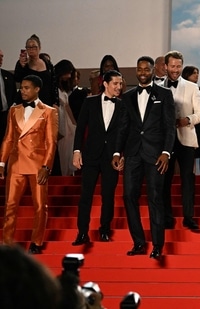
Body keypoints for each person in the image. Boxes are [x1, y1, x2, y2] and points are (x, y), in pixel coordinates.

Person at [111, 56, 176, 259]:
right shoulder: (127, 97)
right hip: (132, 154)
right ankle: (138, 242)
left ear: (152, 71)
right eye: (139, 70)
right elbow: (122, 128)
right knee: (129, 196)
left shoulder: (164, 94)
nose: (142, 73)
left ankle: (157, 245)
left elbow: (169, 126)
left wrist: (166, 152)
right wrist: (116, 152)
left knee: (155, 198)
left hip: (156, 155)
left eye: (146, 69)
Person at [0, 75, 58, 254]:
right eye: (21, 88)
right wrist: (2, 162)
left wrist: (47, 167)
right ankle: (6, 244)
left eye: (26, 88)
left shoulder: (48, 111)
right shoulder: (13, 110)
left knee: (40, 206)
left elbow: (51, 142)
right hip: (16, 164)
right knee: (10, 205)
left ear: (36, 89)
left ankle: (36, 242)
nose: (22, 91)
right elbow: (8, 138)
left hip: (37, 165)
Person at [71, 70, 124, 245]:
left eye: (120, 84)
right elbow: (80, 129)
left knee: (108, 196)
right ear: (105, 84)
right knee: (86, 195)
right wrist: (76, 151)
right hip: (91, 156)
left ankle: (104, 230)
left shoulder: (123, 105)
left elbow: (125, 133)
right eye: (115, 83)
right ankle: (82, 233)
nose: (119, 87)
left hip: (111, 158)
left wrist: (120, 154)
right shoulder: (89, 102)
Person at [161, 50, 200, 231]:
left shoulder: (192, 87)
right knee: (164, 180)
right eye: (172, 66)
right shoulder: (157, 86)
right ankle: (166, 218)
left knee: (188, 179)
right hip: (164, 142)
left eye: (179, 66)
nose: (176, 69)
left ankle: (189, 217)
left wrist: (187, 120)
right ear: (165, 67)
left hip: (186, 138)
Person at [14, 34, 57, 106]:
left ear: (39, 48)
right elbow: (17, 78)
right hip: (28, 102)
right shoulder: (23, 63)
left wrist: (55, 102)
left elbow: (53, 83)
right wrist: (21, 66)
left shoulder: (47, 63)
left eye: (34, 47)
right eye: (28, 47)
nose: (31, 49)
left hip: (46, 101)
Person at [54, 59, 78, 176]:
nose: (69, 76)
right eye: (67, 72)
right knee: (61, 145)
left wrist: (74, 124)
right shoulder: (52, 86)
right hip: (58, 117)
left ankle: (67, 173)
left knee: (69, 143)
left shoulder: (63, 88)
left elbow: (67, 106)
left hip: (66, 118)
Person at [0, 48, 17, 139]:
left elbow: (14, 95)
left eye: (2, 56)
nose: (1, 59)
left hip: (5, 116)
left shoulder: (8, 76)